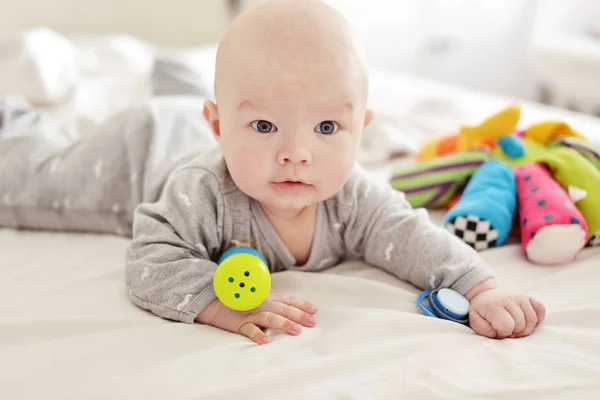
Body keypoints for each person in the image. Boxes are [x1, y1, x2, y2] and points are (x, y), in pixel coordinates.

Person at [0, 0, 545, 345]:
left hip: (191, 125)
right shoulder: (203, 192)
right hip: (139, 153)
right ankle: (16, 119)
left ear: (362, 128)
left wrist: (481, 289)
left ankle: (175, 79)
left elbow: (413, 236)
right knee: (36, 179)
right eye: (264, 126)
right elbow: (150, 260)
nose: (296, 153)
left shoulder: (354, 198)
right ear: (218, 126)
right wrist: (218, 304)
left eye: (327, 129)